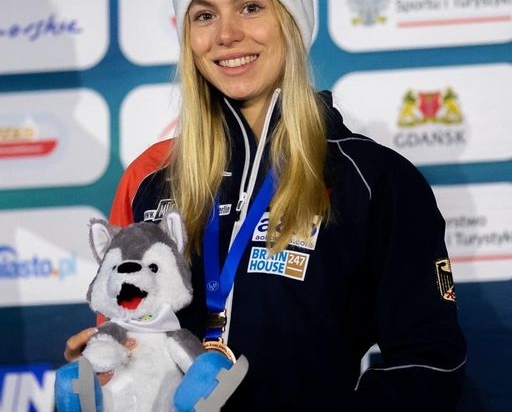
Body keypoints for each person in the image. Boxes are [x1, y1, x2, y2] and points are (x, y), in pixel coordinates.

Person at [64, 0, 467, 410]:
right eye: (204, 15)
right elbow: (137, 335)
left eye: (251, 7)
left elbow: (429, 363)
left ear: (293, 22)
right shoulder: (152, 183)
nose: (226, 34)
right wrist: (114, 370)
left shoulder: (371, 178)